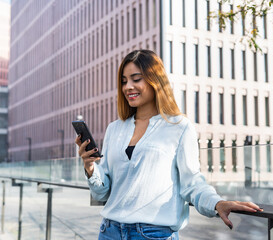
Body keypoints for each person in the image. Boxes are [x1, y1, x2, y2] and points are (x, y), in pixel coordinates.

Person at [75, 50, 262, 240]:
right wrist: (90, 166)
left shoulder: (179, 127)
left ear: (154, 80)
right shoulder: (114, 129)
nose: (128, 87)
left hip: (153, 235)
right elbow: (102, 193)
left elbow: (192, 183)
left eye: (136, 79)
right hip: (109, 231)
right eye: (124, 81)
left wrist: (217, 203)